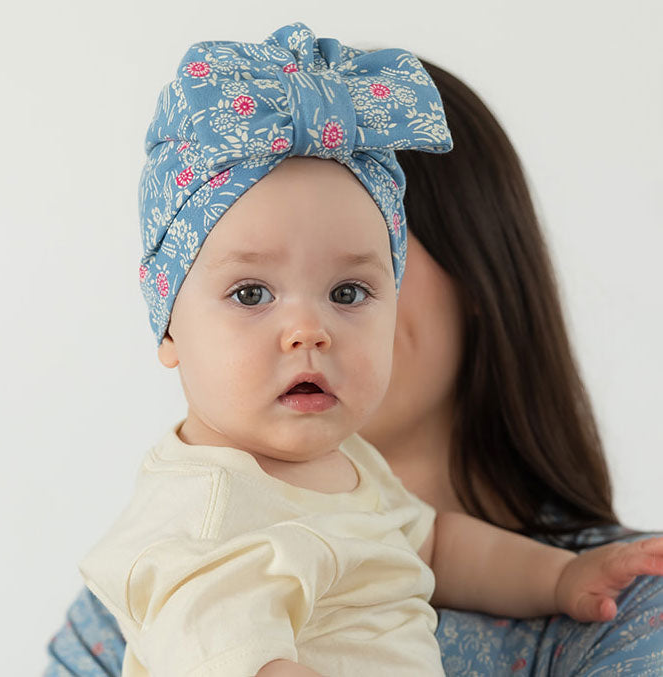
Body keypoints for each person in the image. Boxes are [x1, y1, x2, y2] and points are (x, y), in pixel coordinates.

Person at [43, 27, 663, 677]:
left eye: (347, 287)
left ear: (480, 271)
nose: (306, 327)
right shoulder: (192, 533)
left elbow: (440, 547)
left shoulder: (360, 485)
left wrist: (563, 576)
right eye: (252, 290)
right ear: (169, 325)